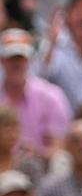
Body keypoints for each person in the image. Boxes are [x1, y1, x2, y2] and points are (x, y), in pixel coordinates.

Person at [0, 27, 72, 161]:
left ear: (30, 59)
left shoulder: (51, 96)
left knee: (62, 161)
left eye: (21, 58)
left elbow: (61, 147)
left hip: (41, 172)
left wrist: (37, 153)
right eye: (11, 58)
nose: (16, 64)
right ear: (1, 60)